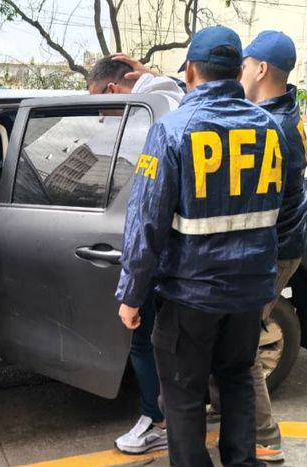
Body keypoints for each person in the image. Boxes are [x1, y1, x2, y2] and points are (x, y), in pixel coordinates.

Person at [116, 25, 289, 466]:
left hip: (190, 295)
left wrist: (131, 294)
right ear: (237, 71)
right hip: (248, 294)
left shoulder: (173, 130)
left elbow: (146, 223)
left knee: (184, 394)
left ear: (191, 70)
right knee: (236, 382)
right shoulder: (270, 128)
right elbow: (284, 210)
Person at [87, 56, 184, 455]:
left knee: (144, 341)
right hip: (193, 261)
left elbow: (147, 213)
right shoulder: (175, 101)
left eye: (97, 102)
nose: (99, 115)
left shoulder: (153, 119)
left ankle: (157, 419)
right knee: (185, 346)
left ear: (112, 89)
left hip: (161, 258)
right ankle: (176, 412)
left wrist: (131, 290)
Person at [227, 30, 307, 463]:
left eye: (240, 66)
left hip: (272, 251)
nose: (235, 74)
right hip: (280, 245)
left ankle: (265, 440)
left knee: (241, 349)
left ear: (260, 69)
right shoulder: (276, 112)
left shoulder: (270, 126)